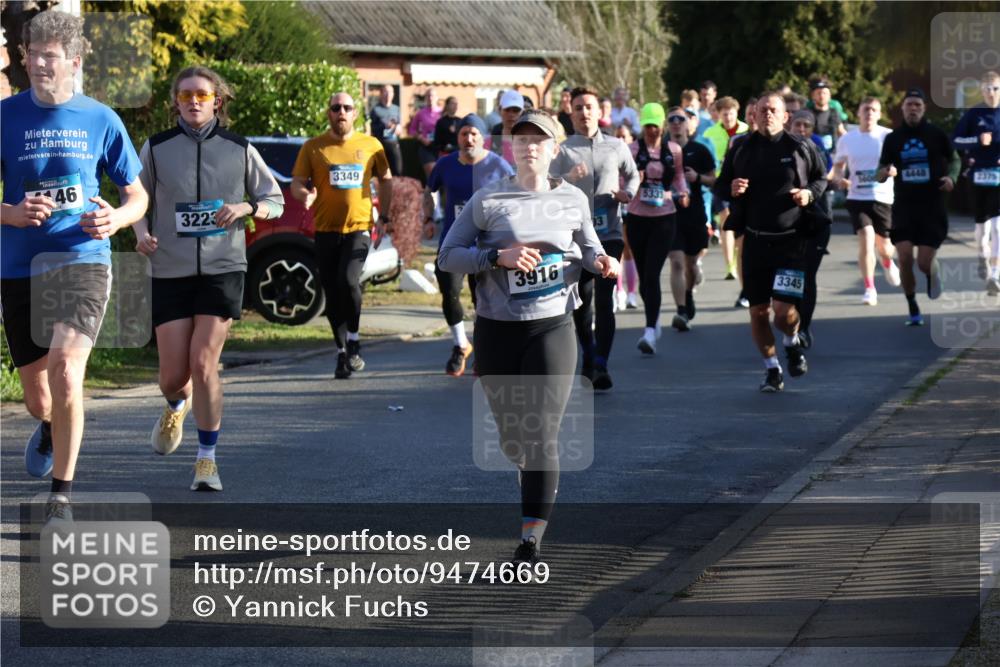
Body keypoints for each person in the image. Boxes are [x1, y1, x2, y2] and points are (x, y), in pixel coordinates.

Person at [438, 109, 619, 564]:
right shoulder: (489, 200)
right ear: (511, 148)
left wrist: (603, 263)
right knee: (513, 438)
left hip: (553, 324)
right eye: (521, 140)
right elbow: (448, 256)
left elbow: (591, 245)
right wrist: (497, 256)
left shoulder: (574, 199)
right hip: (497, 329)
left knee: (541, 433)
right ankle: (524, 464)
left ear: (555, 149)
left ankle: (530, 539)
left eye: (539, 139)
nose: (530, 146)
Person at [1, 10, 148, 520]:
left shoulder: (101, 119)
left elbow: (137, 195)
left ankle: (61, 494)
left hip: (81, 259)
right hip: (19, 265)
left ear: (75, 62)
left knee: (67, 373)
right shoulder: (5, 117)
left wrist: (118, 219)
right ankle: (46, 426)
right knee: (39, 398)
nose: (40, 63)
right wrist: (11, 213)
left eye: (51, 55)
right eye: (32, 53)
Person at [135, 66, 284, 491]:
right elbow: (136, 199)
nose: (194, 101)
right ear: (176, 102)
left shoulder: (239, 148)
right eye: (186, 96)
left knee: (204, 363)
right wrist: (143, 233)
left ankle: (206, 460)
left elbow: (272, 199)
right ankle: (175, 404)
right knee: (172, 377)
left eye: (202, 94)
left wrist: (246, 209)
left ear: (217, 99)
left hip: (223, 268)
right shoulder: (157, 148)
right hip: (170, 268)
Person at [716, 93, 828, 392]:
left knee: (783, 311)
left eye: (773, 110)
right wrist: (732, 187)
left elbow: (821, 178)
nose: (767, 114)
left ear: (784, 116)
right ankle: (772, 369)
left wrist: (809, 194)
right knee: (758, 312)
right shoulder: (740, 148)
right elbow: (721, 182)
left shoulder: (801, 147)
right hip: (754, 241)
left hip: (791, 242)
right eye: (762, 110)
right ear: (752, 115)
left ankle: (791, 341)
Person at [291, 92, 393, 378]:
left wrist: (384, 216)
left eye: (347, 108)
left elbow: (386, 180)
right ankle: (340, 353)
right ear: (329, 114)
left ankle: (355, 339)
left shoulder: (371, 145)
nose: (341, 112)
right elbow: (297, 183)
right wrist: (305, 195)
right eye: (336, 108)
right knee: (332, 291)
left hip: (358, 228)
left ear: (355, 114)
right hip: (325, 229)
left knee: (348, 280)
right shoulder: (314, 147)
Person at [550, 87, 639, 390]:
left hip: (610, 233)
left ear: (599, 112)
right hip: (575, 238)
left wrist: (629, 194)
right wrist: (566, 179)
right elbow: (545, 185)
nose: (584, 112)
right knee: (582, 303)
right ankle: (588, 356)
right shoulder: (562, 150)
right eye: (578, 108)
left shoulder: (615, 146)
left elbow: (633, 174)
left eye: (589, 107)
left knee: (604, 301)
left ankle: (601, 363)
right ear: (571, 113)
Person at [424, 114, 514, 376]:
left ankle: (484, 351)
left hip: (486, 245)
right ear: (458, 137)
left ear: (483, 137)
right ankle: (460, 344)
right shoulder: (445, 164)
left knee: (483, 300)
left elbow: (514, 200)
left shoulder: (499, 166)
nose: (469, 138)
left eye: (474, 133)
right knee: (449, 292)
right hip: (453, 243)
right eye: (464, 133)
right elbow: (429, 191)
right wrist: (428, 217)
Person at [877, 88, 960, 325]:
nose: (913, 109)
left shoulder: (936, 134)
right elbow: (881, 168)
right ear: (902, 108)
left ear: (923, 109)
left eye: (917, 105)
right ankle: (912, 305)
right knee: (904, 258)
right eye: (909, 105)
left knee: (923, 262)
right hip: (904, 206)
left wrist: (951, 177)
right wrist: (883, 173)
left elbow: (954, 158)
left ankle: (933, 273)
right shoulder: (893, 139)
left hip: (932, 206)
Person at [625, 102, 690, 355]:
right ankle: (654, 318)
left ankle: (650, 331)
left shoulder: (673, 150)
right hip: (638, 216)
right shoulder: (631, 150)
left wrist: (683, 192)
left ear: (662, 125)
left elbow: (679, 176)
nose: (652, 130)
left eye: (656, 125)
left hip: (664, 216)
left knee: (652, 273)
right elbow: (621, 179)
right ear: (643, 126)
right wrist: (632, 183)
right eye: (648, 125)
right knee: (644, 276)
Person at [831, 97, 901, 307]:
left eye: (873, 110)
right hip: (857, 197)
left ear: (879, 114)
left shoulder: (888, 136)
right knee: (867, 238)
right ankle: (870, 288)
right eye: (866, 109)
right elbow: (838, 165)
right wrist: (838, 178)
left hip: (882, 198)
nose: (869, 113)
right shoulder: (847, 139)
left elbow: (897, 167)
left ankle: (888, 262)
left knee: (885, 246)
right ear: (859, 114)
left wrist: (891, 171)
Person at [666, 106, 716, 330]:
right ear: (667, 125)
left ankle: (688, 293)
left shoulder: (700, 150)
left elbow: (713, 180)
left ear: (688, 124)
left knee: (691, 265)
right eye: (672, 120)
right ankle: (681, 311)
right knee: (676, 262)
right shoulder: (661, 152)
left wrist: (697, 178)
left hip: (694, 213)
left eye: (680, 119)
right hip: (669, 214)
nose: (676, 123)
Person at [787, 110, 833, 349]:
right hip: (787, 225)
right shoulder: (779, 151)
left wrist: (809, 192)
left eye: (806, 126)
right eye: (798, 125)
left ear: (812, 130)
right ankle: (790, 323)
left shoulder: (815, 151)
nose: (801, 130)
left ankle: (804, 327)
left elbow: (824, 179)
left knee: (807, 276)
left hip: (815, 223)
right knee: (791, 276)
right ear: (789, 125)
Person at [952, 71, 1000, 293]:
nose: (992, 92)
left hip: (999, 176)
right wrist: (978, 140)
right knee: (982, 228)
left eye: (996, 88)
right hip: (979, 175)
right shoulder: (974, 114)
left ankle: (995, 275)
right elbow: (956, 140)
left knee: (998, 227)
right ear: (982, 91)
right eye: (988, 88)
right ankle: (982, 255)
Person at [703, 97, 749, 282]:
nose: (728, 117)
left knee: (740, 224)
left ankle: (739, 257)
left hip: (742, 183)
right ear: (718, 115)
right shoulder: (709, 133)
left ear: (736, 113)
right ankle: (730, 265)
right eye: (724, 114)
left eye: (730, 113)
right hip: (721, 183)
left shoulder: (746, 131)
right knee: (726, 219)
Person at [614, 124, 641, 311]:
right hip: (614, 207)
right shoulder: (610, 155)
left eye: (625, 137)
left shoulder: (637, 157)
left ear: (632, 138)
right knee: (616, 250)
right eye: (618, 137)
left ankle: (632, 292)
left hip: (632, 207)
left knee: (629, 249)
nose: (621, 140)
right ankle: (619, 290)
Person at [369, 84, 403, 176]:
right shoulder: (375, 110)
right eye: (386, 92)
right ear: (381, 94)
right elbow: (371, 129)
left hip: (393, 144)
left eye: (390, 92)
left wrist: (399, 128)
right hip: (380, 145)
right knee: (381, 173)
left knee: (397, 171)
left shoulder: (396, 109)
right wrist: (384, 126)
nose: (388, 94)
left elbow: (400, 126)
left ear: (393, 94)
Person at [408, 87, 442, 179]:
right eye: (428, 96)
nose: (430, 98)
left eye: (432, 96)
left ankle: (434, 192)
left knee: (442, 174)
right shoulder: (421, 113)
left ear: (437, 98)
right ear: (426, 98)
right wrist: (421, 138)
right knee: (431, 173)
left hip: (439, 147)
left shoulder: (442, 113)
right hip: (426, 146)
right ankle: (433, 192)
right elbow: (411, 130)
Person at [489, 89, 524, 166]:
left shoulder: (530, 138)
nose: (511, 114)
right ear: (499, 110)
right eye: (507, 110)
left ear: (522, 112)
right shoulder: (493, 135)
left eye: (516, 110)